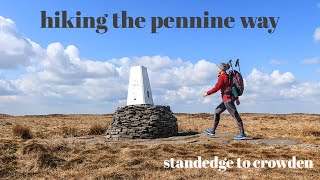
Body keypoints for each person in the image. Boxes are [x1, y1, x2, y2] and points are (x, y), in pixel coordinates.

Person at [202, 62, 246, 139]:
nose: (217, 69)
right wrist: (236, 99)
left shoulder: (223, 77)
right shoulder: (227, 76)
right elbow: (232, 87)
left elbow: (216, 88)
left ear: (221, 69)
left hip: (228, 100)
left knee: (235, 115)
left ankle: (242, 134)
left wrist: (207, 93)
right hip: (227, 100)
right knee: (217, 112)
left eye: (218, 68)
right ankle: (212, 130)